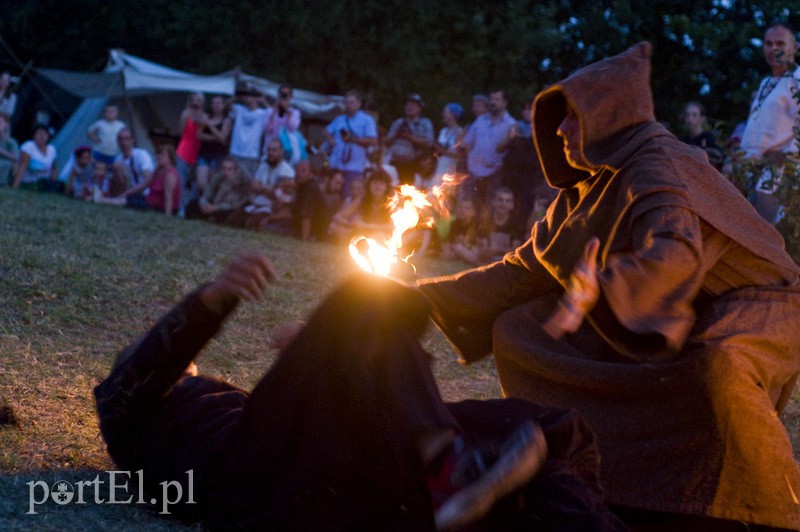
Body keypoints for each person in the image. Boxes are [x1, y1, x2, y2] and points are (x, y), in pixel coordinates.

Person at [418, 42, 800, 530]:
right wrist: (418, 297)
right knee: (522, 328)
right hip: (668, 304)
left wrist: (603, 287)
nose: (559, 130)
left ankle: (763, 510)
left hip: (759, 304)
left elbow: (675, 249)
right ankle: (591, 464)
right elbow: (520, 270)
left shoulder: (658, 163)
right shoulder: (586, 186)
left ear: (610, 117)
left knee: (717, 366)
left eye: (573, 117)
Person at [94, 254, 624, 530]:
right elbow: (134, 377)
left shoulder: (216, 408)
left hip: (334, 483)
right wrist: (212, 300)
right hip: (253, 493)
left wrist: (324, 365)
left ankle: (477, 485)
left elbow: (303, 428)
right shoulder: (136, 425)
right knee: (362, 301)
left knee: (542, 431)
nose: (182, 363)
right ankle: (447, 469)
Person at [740, 21, 800, 224]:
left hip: (779, 175)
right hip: (752, 173)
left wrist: (787, 156)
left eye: (780, 44)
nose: (773, 48)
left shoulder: (797, 80)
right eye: (768, 43)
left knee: (767, 239)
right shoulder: (766, 82)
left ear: (795, 47)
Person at [459, 90, 516, 209]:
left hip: (494, 172)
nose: (492, 102)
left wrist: (508, 139)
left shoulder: (511, 124)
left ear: (504, 103)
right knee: (469, 205)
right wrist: (470, 161)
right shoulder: (480, 120)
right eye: (491, 99)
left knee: (489, 207)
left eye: (496, 99)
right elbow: (467, 142)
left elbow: (502, 149)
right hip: (473, 171)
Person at [228, 139, 295, 230]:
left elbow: (277, 195)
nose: (270, 153)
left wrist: (262, 189)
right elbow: (253, 186)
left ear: (281, 152)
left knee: (249, 224)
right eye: (269, 150)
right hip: (256, 203)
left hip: (270, 208)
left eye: (274, 150)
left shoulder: (287, 170)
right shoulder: (264, 166)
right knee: (232, 220)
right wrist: (267, 189)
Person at [325, 89, 378, 196]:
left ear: (359, 103)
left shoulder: (366, 120)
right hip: (336, 165)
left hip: (354, 167)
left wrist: (353, 140)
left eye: (352, 102)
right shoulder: (339, 119)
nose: (349, 105)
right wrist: (332, 142)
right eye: (347, 102)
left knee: (349, 195)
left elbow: (373, 140)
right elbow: (326, 130)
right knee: (333, 195)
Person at [329, 168, 394, 243]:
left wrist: (365, 225)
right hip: (361, 233)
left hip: (383, 235)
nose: (378, 186)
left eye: (381, 183)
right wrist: (351, 223)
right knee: (334, 226)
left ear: (386, 187)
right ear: (369, 186)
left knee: (379, 236)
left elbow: (391, 227)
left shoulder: (392, 202)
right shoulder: (362, 200)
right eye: (375, 183)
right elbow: (339, 216)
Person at [385, 94, 434, 185]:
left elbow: (429, 143)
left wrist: (410, 137)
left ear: (419, 108)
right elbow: (386, 142)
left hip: (412, 165)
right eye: (408, 104)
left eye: (413, 105)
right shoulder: (398, 122)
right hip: (394, 163)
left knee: (408, 193)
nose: (409, 107)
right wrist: (396, 134)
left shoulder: (425, 124)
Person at [102, 128, 154, 208]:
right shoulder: (118, 159)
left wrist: (127, 193)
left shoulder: (141, 155)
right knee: (116, 165)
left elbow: (148, 181)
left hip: (144, 194)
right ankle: (118, 199)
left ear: (132, 140)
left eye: (126, 138)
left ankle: (117, 200)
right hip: (126, 191)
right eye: (120, 139)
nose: (123, 142)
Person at [292, 163, 345, 241]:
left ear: (311, 174)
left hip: (317, 235)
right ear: (327, 179)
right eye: (336, 183)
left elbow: (307, 216)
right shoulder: (308, 187)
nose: (338, 188)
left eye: (303, 171)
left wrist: (304, 240)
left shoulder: (335, 197)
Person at [190, 157, 251, 224]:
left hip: (227, 208)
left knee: (228, 214)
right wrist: (204, 204)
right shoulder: (218, 178)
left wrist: (215, 207)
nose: (226, 172)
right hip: (213, 204)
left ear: (235, 170)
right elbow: (206, 194)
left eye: (229, 169)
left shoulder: (241, 183)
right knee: (193, 204)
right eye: (224, 169)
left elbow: (234, 205)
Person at [176, 92, 207, 212]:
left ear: (202, 102)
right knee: (181, 181)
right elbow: (180, 132)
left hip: (197, 150)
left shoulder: (204, 116)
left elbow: (201, 132)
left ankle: (190, 206)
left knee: (195, 182)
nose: (196, 102)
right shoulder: (185, 113)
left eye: (198, 100)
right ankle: (180, 208)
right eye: (193, 99)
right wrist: (186, 118)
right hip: (184, 149)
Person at [195, 95, 232, 196]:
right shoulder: (206, 117)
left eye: (218, 103)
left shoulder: (226, 120)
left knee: (212, 183)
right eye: (213, 103)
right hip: (204, 153)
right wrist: (215, 137)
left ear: (223, 106)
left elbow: (223, 138)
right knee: (201, 184)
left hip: (217, 154)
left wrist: (210, 125)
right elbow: (198, 134)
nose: (215, 106)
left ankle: (208, 205)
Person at [229, 88, 267, 178]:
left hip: (251, 155)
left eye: (250, 96)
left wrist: (263, 101)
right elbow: (226, 106)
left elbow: (275, 115)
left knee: (248, 181)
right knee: (231, 180)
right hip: (235, 152)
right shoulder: (239, 109)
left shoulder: (262, 113)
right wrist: (237, 97)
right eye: (246, 96)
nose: (247, 98)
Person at [262, 84, 303, 164]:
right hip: (270, 150)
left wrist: (287, 111)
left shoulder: (295, 112)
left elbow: (293, 128)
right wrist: (274, 111)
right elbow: (266, 128)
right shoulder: (269, 111)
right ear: (278, 95)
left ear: (290, 96)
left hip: (286, 151)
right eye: (281, 93)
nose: (283, 96)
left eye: (286, 94)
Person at [12, 123, 58, 191]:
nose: (42, 136)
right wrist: (14, 187)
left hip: (44, 184)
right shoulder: (28, 146)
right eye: (39, 133)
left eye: (45, 134)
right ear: (34, 135)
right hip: (28, 182)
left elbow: (53, 169)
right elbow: (22, 166)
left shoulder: (52, 150)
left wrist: (54, 186)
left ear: (48, 136)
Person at [680, 101, 724, 171]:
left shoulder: (710, 139)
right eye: (687, 115)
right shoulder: (683, 141)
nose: (690, 118)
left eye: (694, 115)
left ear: (702, 118)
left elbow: (720, 158)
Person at [431, 103, 464, 187]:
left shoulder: (459, 132)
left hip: (451, 168)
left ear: (453, 114)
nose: (443, 114)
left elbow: (459, 155)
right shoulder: (443, 130)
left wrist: (443, 151)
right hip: (439, 166)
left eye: (445, 112)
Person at [0, 112, 19, 186]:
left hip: (5, 165)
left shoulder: (11, 142)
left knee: (5, 164)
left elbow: (15, 158)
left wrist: (1, 151)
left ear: (6, 125)